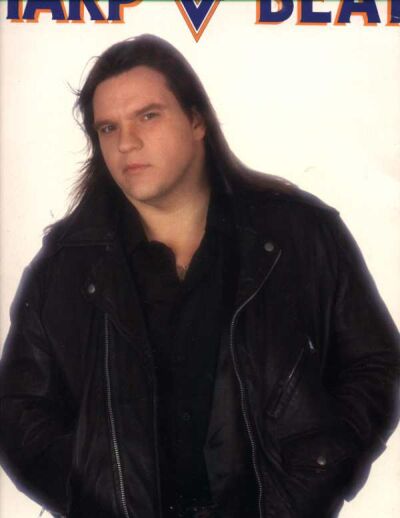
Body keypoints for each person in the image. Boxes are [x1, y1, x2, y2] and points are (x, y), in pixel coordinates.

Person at [0, 34, 399, 518]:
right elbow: (18, 411)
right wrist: (97, 495)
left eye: (148, 116)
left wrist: (316, 475)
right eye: (108, 127)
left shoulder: (299, 234)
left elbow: (375, 365)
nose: (126, 142)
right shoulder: (64, 266)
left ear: (196, 121)